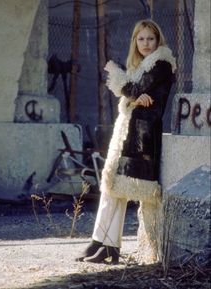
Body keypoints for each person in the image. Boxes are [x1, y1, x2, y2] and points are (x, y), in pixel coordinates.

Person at [76, 19, 176, 264]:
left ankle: (109, 246)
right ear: (135, 41)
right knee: (111, 186)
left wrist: (121, 82)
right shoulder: (141, 65)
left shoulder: (161, 63)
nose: (145, 43)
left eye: (150, 38)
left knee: (119, 186)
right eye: (140, 39)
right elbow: (135, 91)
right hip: (128, 130)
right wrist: (132, 92)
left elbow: (136, 89)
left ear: (158, 40)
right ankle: (100, 242)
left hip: (142, 134)